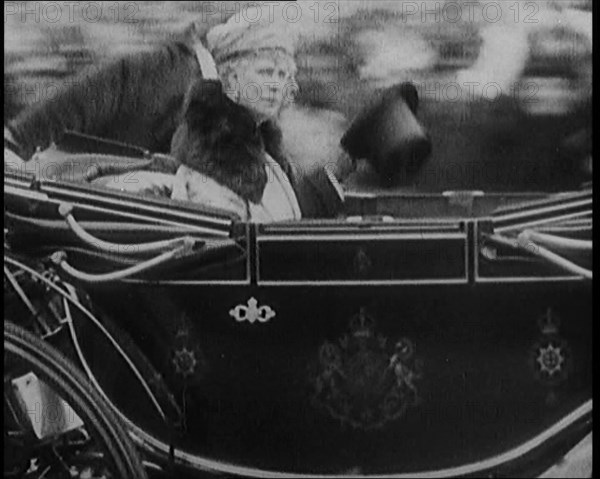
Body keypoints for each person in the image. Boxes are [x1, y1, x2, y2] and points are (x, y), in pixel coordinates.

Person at [4, 6, 351, 221]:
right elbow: (83, 98)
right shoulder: (164, 73)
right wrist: (16, 142)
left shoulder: (253, 125)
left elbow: (280, 197)